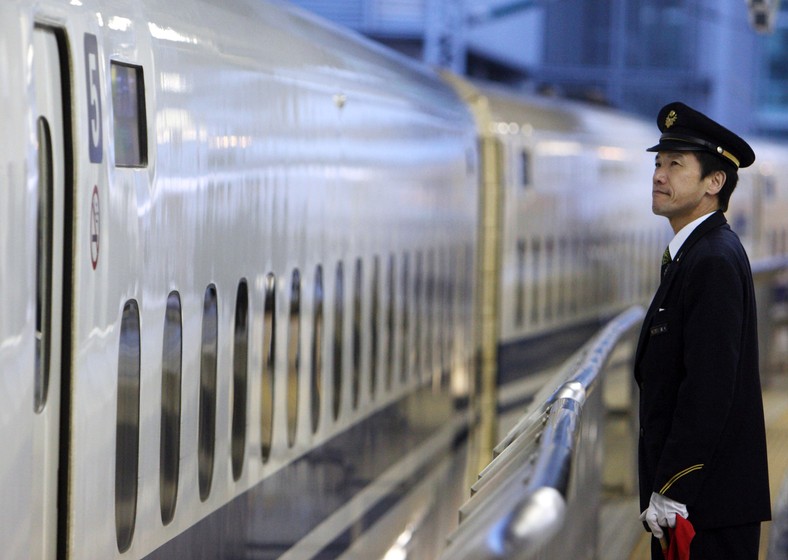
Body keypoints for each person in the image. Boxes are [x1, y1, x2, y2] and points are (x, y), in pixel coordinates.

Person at [634, 101, 771, 559]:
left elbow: (709, 388)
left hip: (702, 510)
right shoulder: (699, 253)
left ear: (715, 183)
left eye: (675, 164)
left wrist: (672, 486)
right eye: (658, 162)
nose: (659, 175)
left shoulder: (710, 259)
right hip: (699, 505)